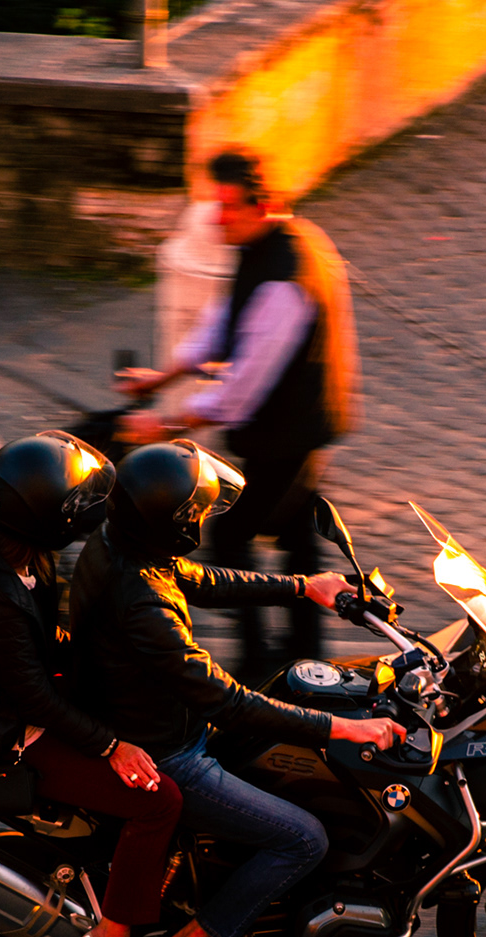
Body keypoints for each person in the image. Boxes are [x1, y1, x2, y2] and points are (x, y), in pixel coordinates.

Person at [68, 440, 403, 937]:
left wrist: (303, 586)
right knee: (303, 838)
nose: (200, 521)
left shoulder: (121, 545)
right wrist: (343, 730)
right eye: (192, 514)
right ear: (165, 525)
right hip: (171, 752)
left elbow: (200, 579)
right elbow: (228, 701)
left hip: (160, 720)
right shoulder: (143, 606)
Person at [0, 432, 182, 937]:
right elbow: (34, 699)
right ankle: (114, 936)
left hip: (20, 705)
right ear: (42, 517)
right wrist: (112, 745)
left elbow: (52, 641)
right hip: (8, 734)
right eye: (70, 505)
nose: (82, 513)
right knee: (160, 798)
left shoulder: (12, 553)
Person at [115, 148, 361, 683]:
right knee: (295, 537)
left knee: (231, 538)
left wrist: (166, 424)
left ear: (264, 204)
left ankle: (258, 666)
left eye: (228, 208)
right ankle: (304, 659)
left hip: (290, 433)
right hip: (290, 428)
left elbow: (241, 389)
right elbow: (221, 322)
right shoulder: (265, 246)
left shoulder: (283, 278)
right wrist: (162, 378)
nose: (217, 220)